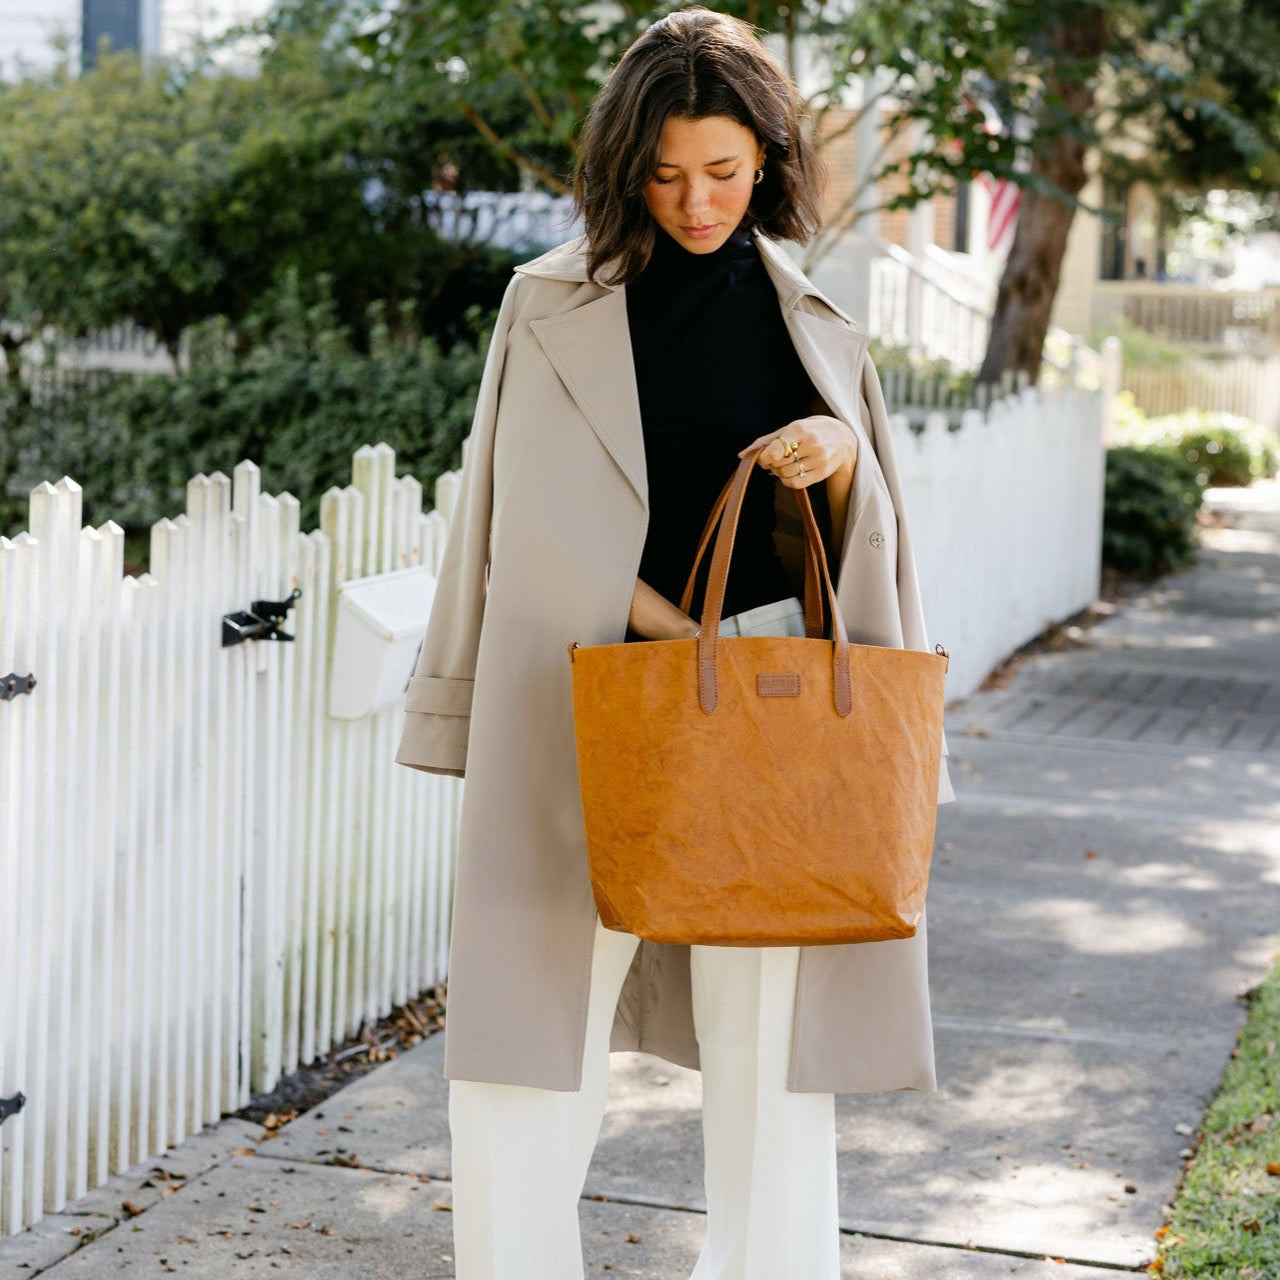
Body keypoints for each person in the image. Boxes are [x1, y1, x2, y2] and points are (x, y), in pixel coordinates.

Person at [396, 9, 953, 1278]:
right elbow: (512, 521)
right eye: (662, 172)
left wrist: (840, 453)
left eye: (721, 168)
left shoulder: (811, 310)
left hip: (767, 694)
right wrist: (663, 624)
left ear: (766, 153)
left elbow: (871, 545)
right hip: (581, 680)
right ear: (620, 166)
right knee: (531, 1030)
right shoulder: (546, 303)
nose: (695, 199)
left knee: (769, 1050)